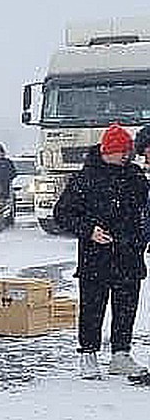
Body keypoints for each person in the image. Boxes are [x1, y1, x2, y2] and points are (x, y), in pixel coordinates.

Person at [53, 124, 149, 378]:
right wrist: (89, 230)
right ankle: (88, 354)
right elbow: (62, 213)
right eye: (123, 151)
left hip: (130, 255)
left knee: (126, 307)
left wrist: (140, 238)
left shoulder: (136, 176)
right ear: (110, 150)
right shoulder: (84, 179)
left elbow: (144, 212)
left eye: (128, 150)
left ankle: (121, 354)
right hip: (96, 257)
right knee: (92, 308)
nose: (127, 155)